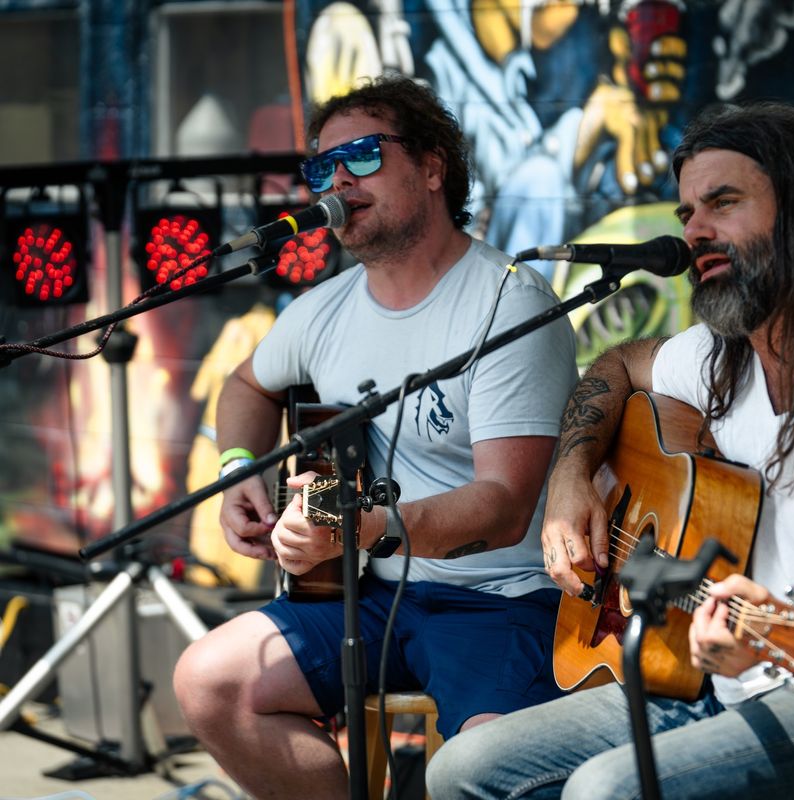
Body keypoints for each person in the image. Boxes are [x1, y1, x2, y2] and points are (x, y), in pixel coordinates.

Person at [426, 101, 794, 799]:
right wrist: (570, 478)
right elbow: (617, 364)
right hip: (724, 685)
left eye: (723, 203)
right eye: (687, 215)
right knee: (464, 769)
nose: (696, 231)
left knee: (606, 792)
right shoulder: (724, 356)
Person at [172, 75, 578, 800]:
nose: (336, 180)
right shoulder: (320, 310)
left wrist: (368, 530)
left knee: (493, 769)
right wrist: (240, 471)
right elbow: (245, 386)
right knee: (209, 682)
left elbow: (505, 504)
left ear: (431, 168)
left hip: (499, 599)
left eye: (361, 156)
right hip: (362, 596)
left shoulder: (508, 302)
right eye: (321, 167)